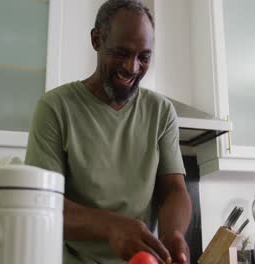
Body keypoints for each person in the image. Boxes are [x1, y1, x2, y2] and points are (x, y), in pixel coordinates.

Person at [25, 1, 191, 263]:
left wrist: (174, 235)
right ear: (96, 39)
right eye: (121, 53)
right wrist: (111, 226)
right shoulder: (55, 108)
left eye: (144, 57)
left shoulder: (161, 112)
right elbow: (44, 203)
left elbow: (173, 190)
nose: (132, 67)